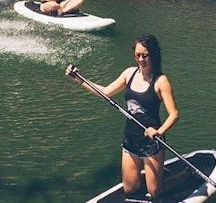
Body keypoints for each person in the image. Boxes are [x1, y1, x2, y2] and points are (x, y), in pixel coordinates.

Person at [66, 34, 179, 199]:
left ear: (153, 55)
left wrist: (159, 131)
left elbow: (174, 114)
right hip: (131, 138)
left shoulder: (161, 81)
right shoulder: (129, 74)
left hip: (152, 141)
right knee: (129, 189)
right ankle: (153, 172)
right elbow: (105, 92)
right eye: (137, 55)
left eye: (145, 55)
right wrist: (79, 79)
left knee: (155, 192)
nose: (141, 59)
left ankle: (183, 175)